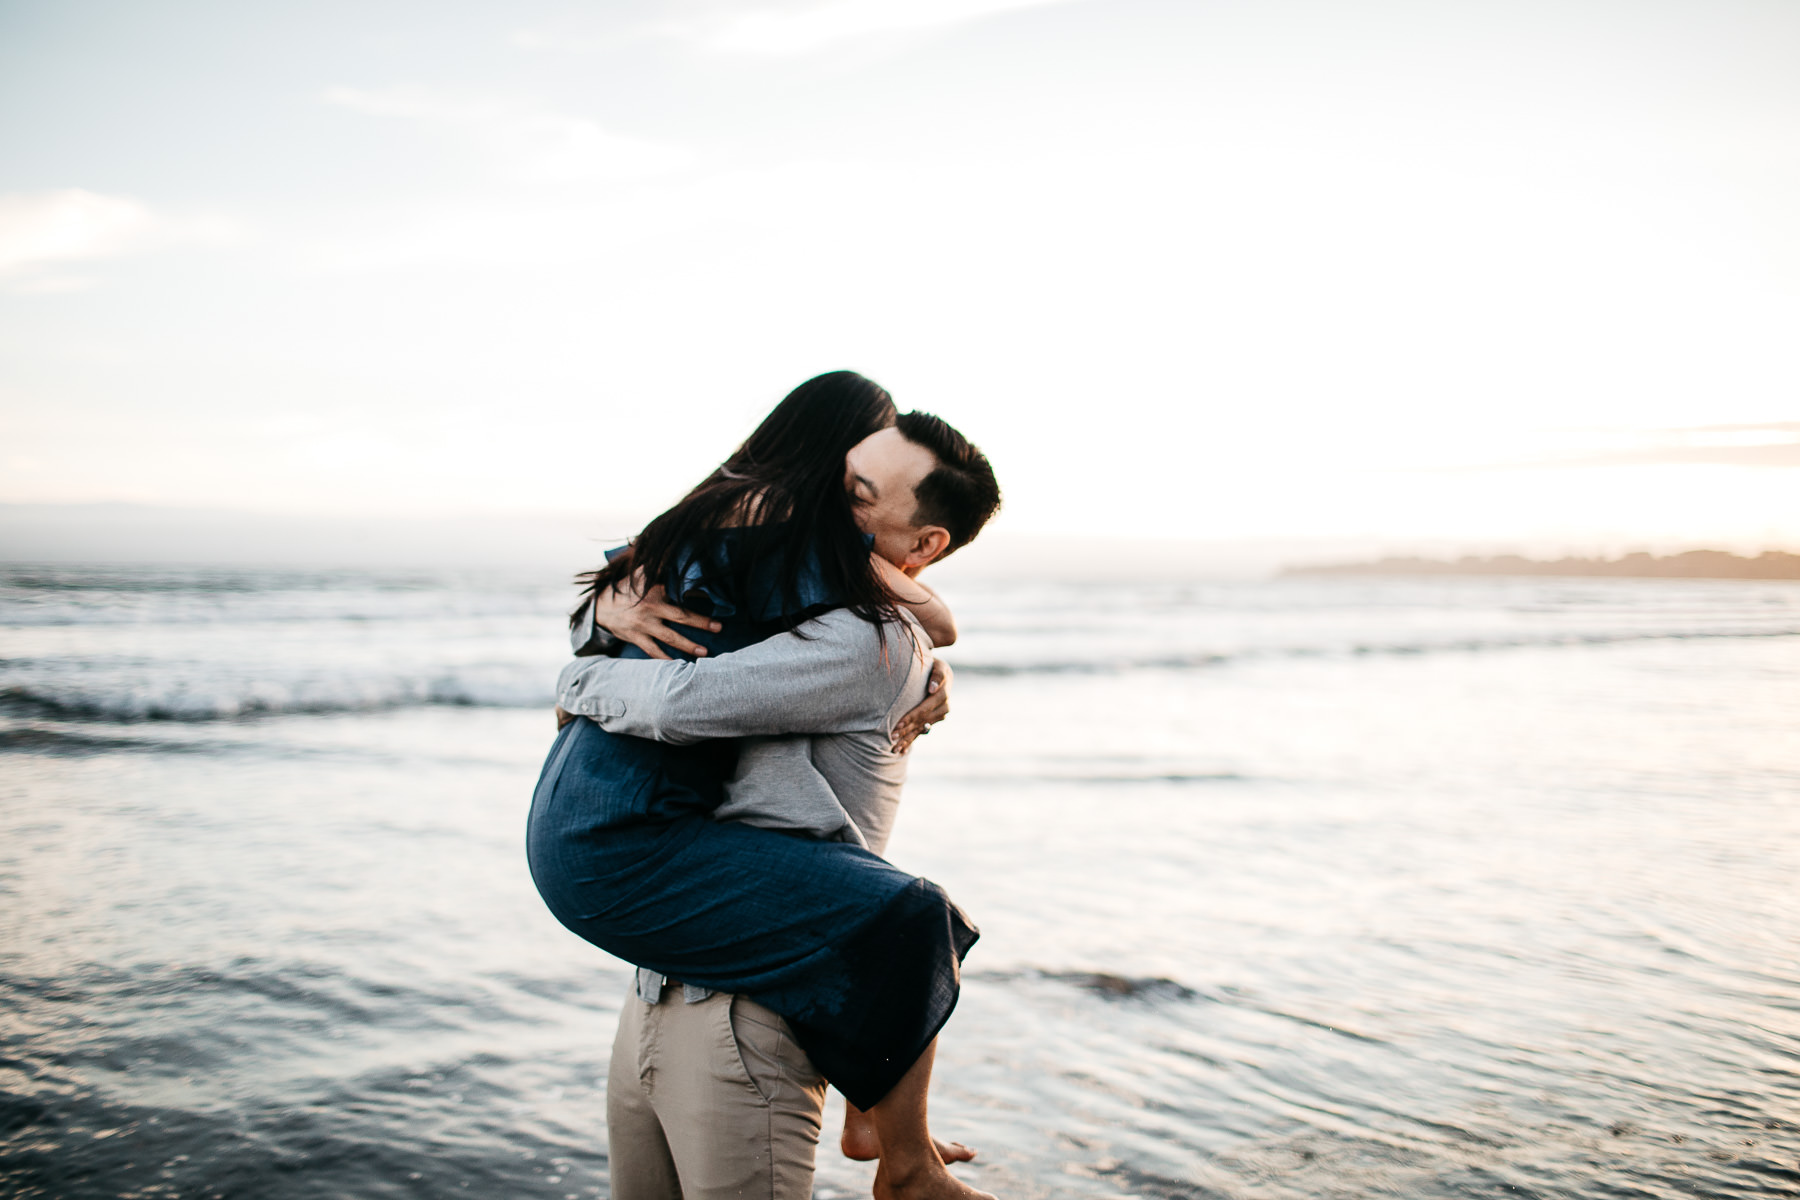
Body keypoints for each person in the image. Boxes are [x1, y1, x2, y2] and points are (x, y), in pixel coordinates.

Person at [528, 377, 1003, 1200]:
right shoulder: (776, 586)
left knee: (912, 917)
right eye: (836, 479)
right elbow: (653, 627)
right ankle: (889, 1130)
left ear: (920, 542)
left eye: (853, 493)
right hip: (659, 988)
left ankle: (902, 1152)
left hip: (750, 1014)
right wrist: (602, 619)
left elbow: (687, 700)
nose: (821, 505)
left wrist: (579, 682)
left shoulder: (863, 635)